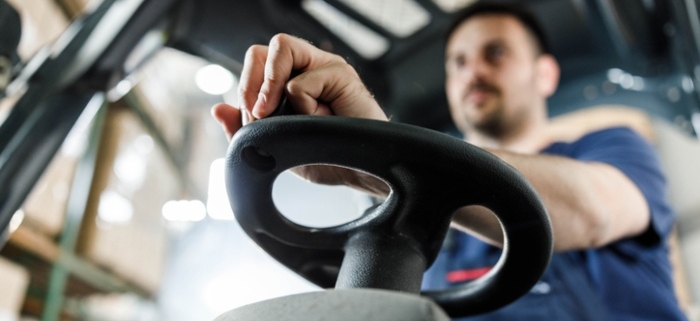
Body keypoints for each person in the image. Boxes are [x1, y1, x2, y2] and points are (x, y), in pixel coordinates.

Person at [211, 2, 688, 320]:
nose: (472, 71)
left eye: (494, 53)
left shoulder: (612, 146)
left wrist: (375, 160)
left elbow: (593, 211)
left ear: (545, 73)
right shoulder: (401, 217)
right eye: (458, 62)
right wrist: (367, 162)